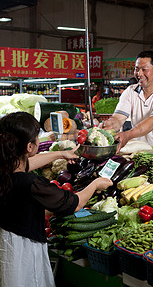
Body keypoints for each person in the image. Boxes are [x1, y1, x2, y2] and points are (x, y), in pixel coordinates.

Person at [0, 112, 113, 287]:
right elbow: (73, 204)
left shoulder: (6, 167)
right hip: (23, 250)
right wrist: (95, 185)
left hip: (6, 242)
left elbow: (29, 163)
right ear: (29, 147)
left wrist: (61, 153)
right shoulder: (30, 183)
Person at [102, 51, 153, 160]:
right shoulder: (130, 91)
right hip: (142, 156)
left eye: (144, 69)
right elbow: (118, 118)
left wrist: (127, 135)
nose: (139, 74)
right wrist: (110, 124)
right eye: (136, 69)